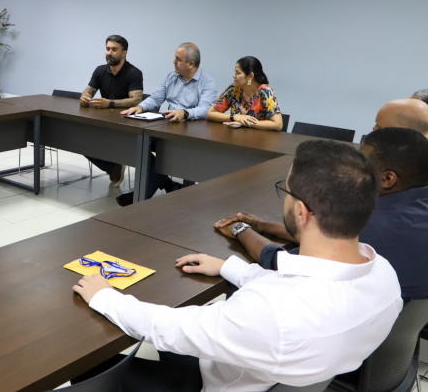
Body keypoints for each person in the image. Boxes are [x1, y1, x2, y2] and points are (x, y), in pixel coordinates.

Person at [72, 140, 401, 391]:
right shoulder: (385, 276)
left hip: (217, 381)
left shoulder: (272, 312)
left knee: (85, 362)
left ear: (301, 212)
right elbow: (292, 281)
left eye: (285, 191)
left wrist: (105, 296)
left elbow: (168, 328)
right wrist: (230, 267)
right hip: (269, 370)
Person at [215, 127, 428, 301]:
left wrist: (240, 229)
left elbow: (282, 263)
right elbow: (328, 234)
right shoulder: (414, 207)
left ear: (387, 179)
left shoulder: (377, 227)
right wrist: (265, 225)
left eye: (362, 164)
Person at [118, 43, 218, 202]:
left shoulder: (208, 81)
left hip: (190, 132)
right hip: (166, 126)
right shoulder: (171, 76)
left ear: (191, 63)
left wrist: (185, 113)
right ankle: (166, 183)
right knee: (140, 145)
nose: (173, 62)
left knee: (164, 155)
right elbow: (156, 98)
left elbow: (207, 109)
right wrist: (140, 106)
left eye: (178, 59)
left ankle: (139, 197)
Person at [79, 35, 144, 187]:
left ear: (124, 53)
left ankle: (115, 166)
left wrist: (110, 103)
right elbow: (88, 92)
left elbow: (136, 100)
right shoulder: (100, 71)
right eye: (108, 49)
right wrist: (84, 98)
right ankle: (113, 167)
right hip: (103, 119)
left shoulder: (134, 73)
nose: (110, 53)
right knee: (79, 140)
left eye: (114, 49)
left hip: (126, 122)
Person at [206, 56, 283, 130]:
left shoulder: (265, 91)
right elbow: (211, 114)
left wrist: (246, 123)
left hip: (259, 140)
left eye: (238, 73)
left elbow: (278, 124)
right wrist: (234, 117)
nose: (234, 76)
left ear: (250, 76)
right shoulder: (233, 89)